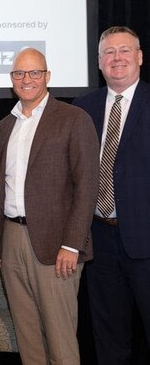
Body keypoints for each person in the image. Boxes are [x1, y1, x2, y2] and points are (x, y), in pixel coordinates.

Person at [0, 47, 100, 365]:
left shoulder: (73, 119)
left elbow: (87, 186)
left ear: (47, 76)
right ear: (12, 80)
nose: (27, 79)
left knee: (61, 341)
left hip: (56, 245)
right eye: (19, 73)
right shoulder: (4, 127)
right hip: (11, 241)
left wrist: (72, 244)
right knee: (28, 340)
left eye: (34, 72)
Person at [73, 26, 150, 364]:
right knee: (108, 335)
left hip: (146, 241)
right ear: (99, 62)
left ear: (139, 57)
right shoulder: (82, 107)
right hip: (98, 238)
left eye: (124, 50)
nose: (117, 58)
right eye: (109, 52)